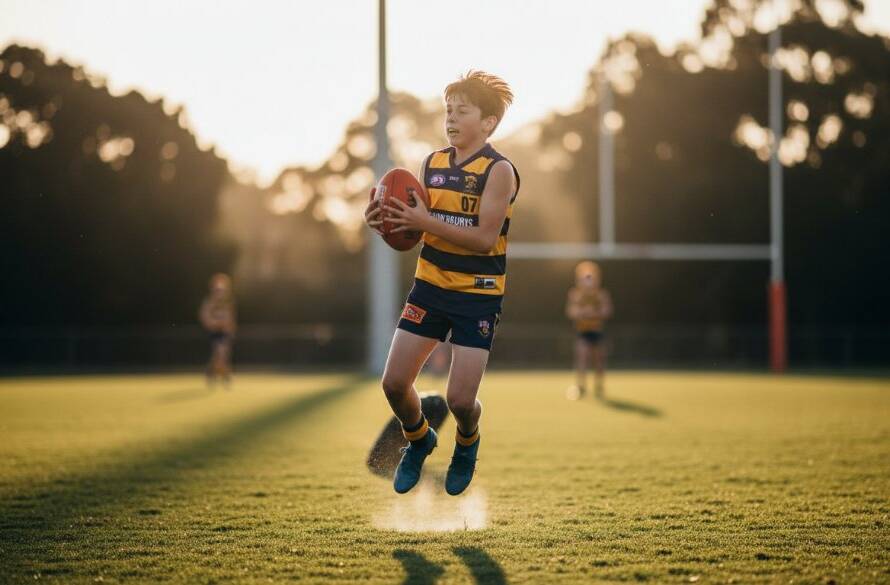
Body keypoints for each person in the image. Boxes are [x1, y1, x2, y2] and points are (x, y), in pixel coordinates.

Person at [364, 71, 519, 495]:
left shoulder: (499, 170)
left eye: (462, 111)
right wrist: (384, 222)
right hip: (430, 287)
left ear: (487, 123)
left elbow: (485, 238)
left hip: (477, 295)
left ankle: (467, 441)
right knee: (394, 383)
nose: (450, 118)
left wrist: (424, 220)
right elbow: (414, 234)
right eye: (448, 110)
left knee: (460, 402)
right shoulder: (431, 164)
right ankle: (419, 439)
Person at [565, 261, 612, 399]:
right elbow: (571, 312)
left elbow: (607, 311)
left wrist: (593, 313)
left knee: (599, 360)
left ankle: (599, 386)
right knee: (582, 357)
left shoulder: (601, 294)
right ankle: (581, 386)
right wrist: (583, 313)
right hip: (583, 332)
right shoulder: (576, 294)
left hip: (597, 331)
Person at [199, 273, 237, 388]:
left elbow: (231, 317)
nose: (220, 291)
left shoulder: (228, 302)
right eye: (218, 289)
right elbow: (204, 316)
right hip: (214, 332)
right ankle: (224, 375)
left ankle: (212, 372)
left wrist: (230, 328)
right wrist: (213, 323)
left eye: (222, 289)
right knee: (220, 353)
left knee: (222, 354)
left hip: (225, 332)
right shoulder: (209, 302)